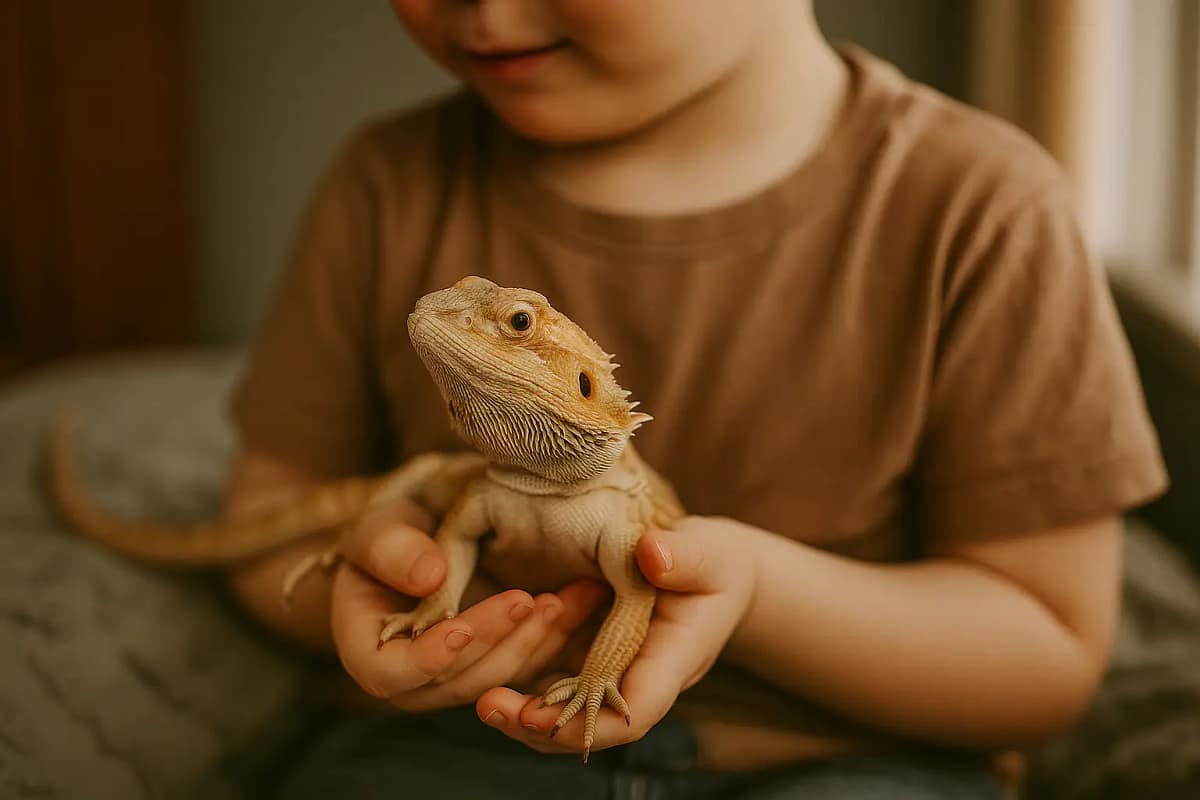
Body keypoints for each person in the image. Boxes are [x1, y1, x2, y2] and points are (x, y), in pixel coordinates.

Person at [222, 1, 1168, 796]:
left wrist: (754, 592)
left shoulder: (982, 208)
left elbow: (1046, 658)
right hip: (457, 738)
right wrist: (390, 611)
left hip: (850, 755)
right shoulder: (386, 183)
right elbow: (266, 528)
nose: (480, 4)